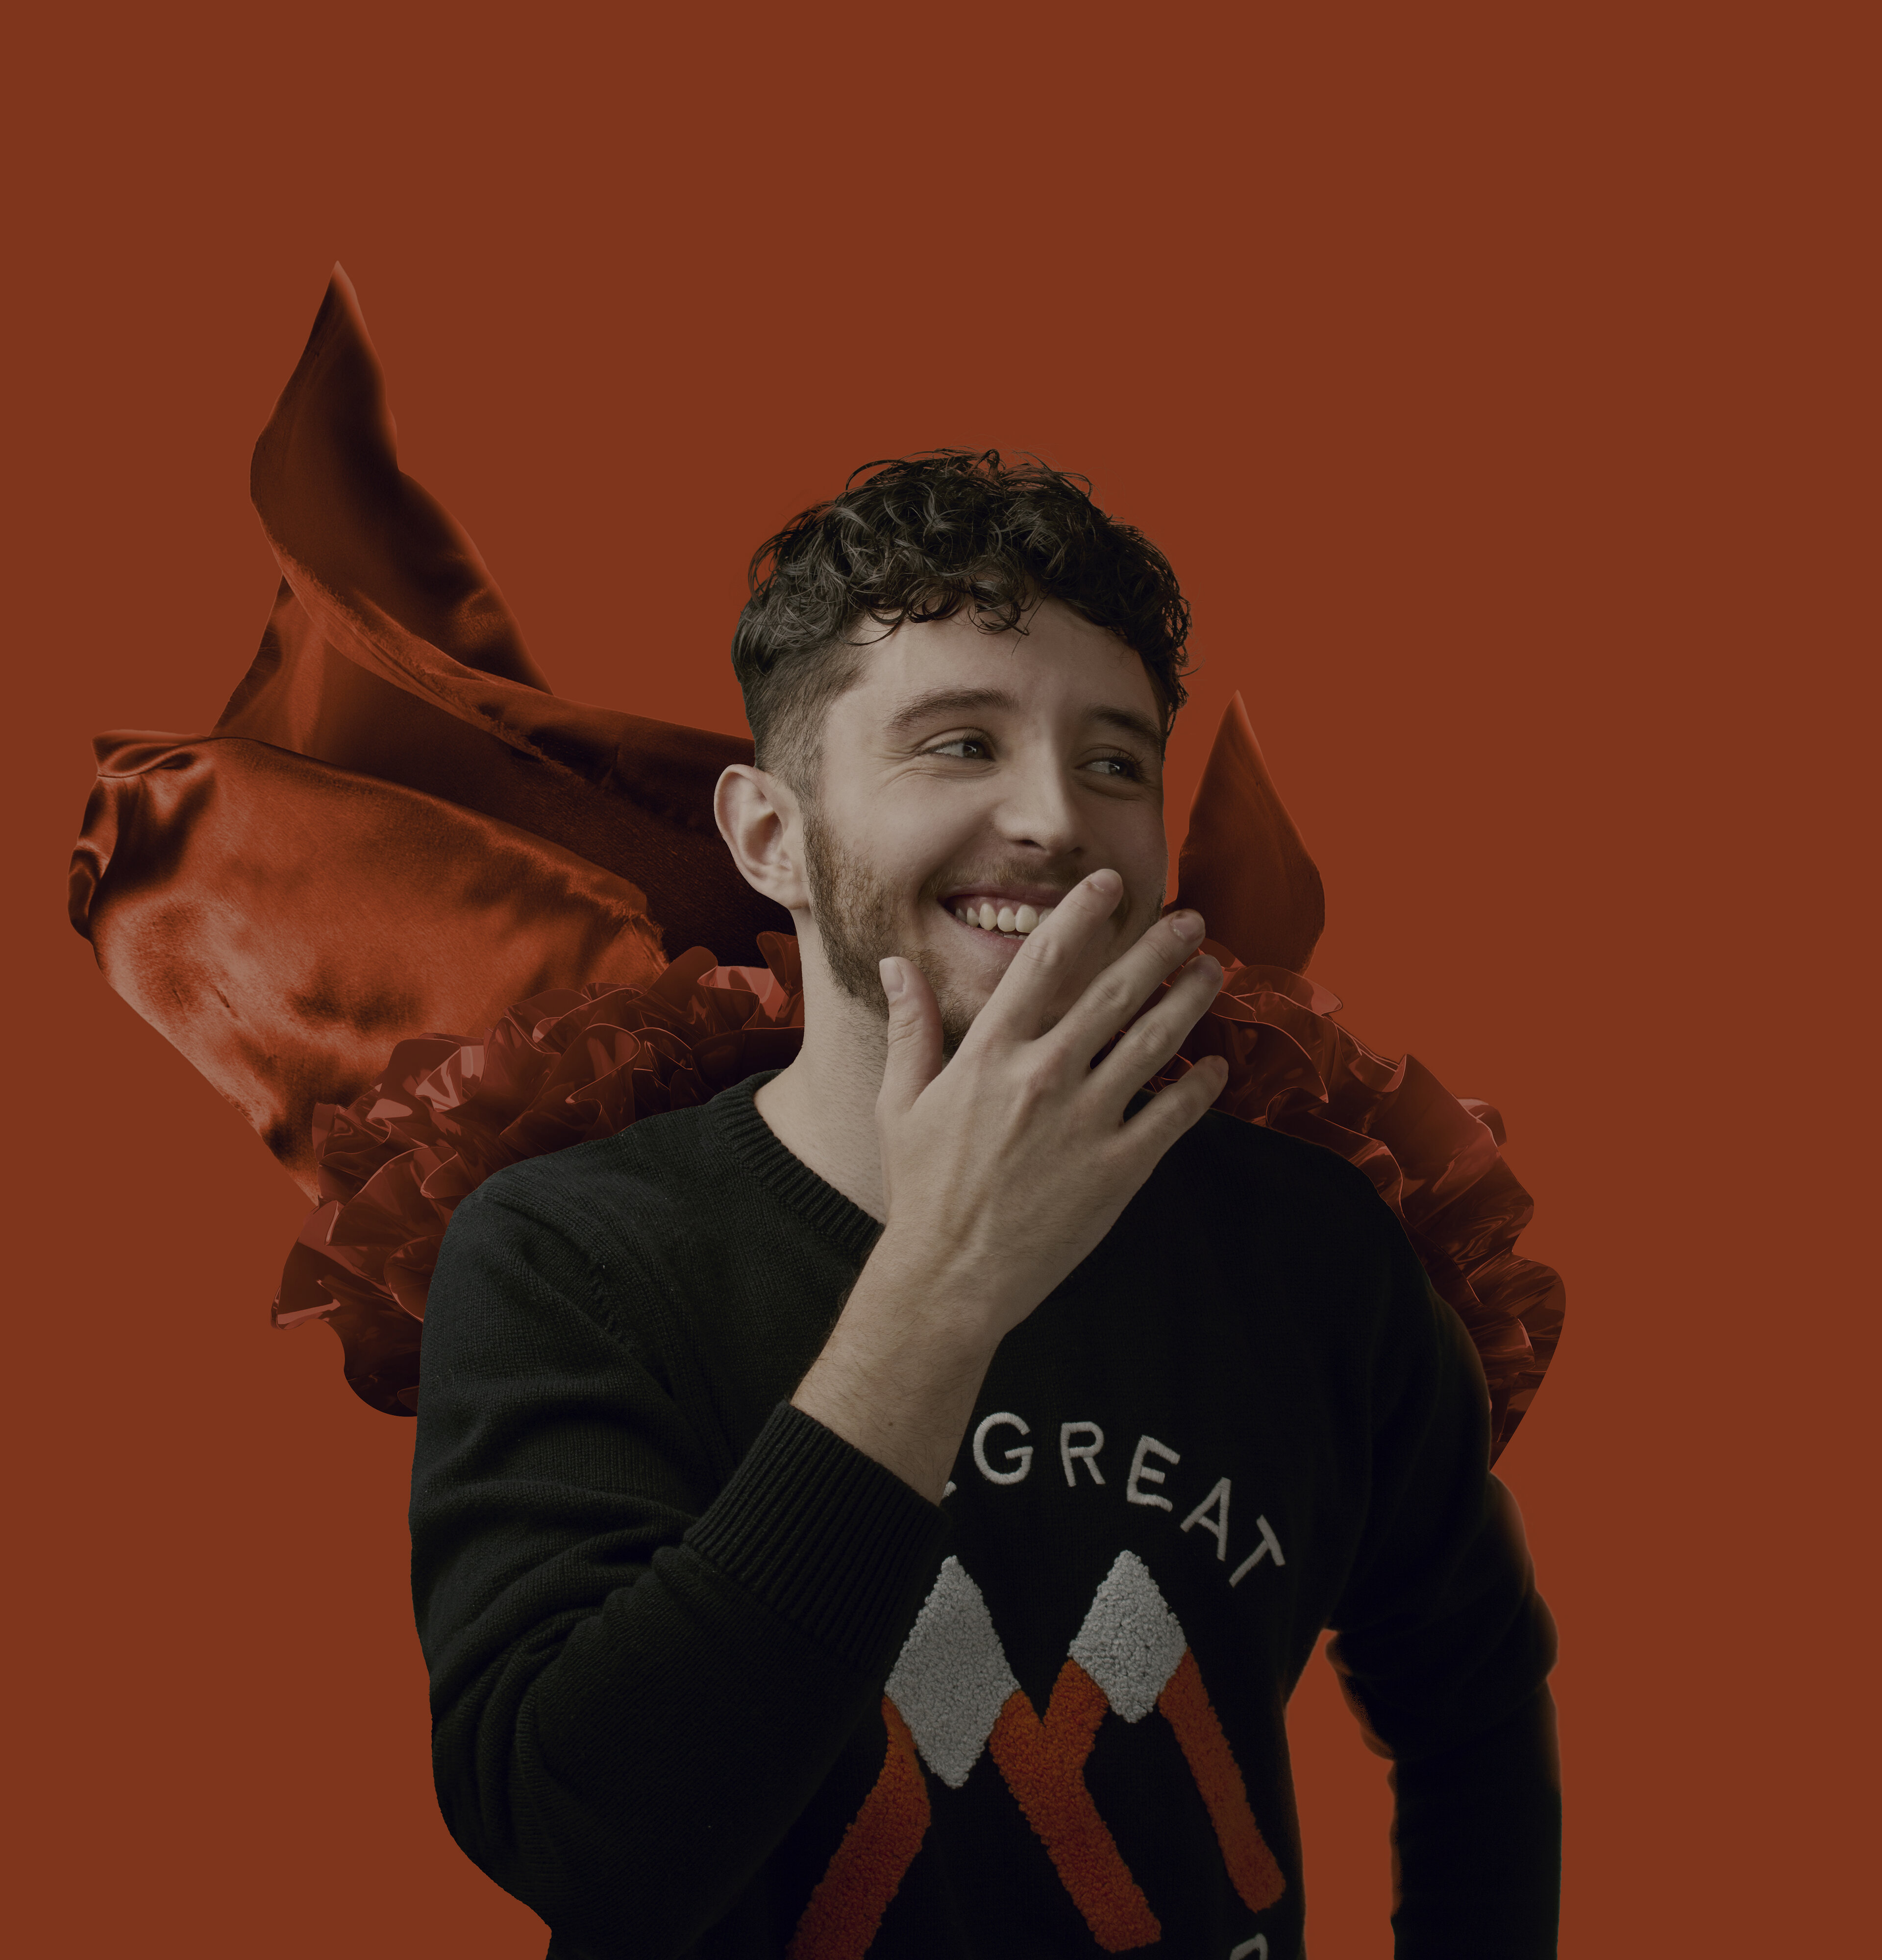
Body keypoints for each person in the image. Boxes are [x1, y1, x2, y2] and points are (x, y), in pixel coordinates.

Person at [408, 452, 1560, 1959]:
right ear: (768, 837)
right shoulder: (567, 1258)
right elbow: (579, 1840)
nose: (1055, 818)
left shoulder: (1316, 1252)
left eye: (1115, 761)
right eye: (960, 744)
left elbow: (1475, 1708)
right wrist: (941, 1291)